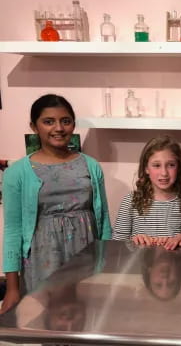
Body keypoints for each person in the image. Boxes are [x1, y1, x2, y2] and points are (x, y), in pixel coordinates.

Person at [1, 94, 111, 314]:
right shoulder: (16, 173)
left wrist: (108, 268)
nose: (58, 128)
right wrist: (12, 288)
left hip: (86, 256)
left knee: (86, 317)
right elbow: (12, 230)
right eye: (48, 121)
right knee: (47, 320)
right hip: (43, 259)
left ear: (73, 124)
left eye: (65, 121)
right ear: (34, 126)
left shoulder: (91, 166)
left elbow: (103, 219)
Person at [113, 136, 181, 250]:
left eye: (171, 165)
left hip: (174, 265)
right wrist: (134, 241)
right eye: (156, 165)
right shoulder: (131, 200)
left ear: (179, 167)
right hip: (139, 265)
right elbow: (117, 244)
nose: (164, 173)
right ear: (146, 168)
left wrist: (179, 240)